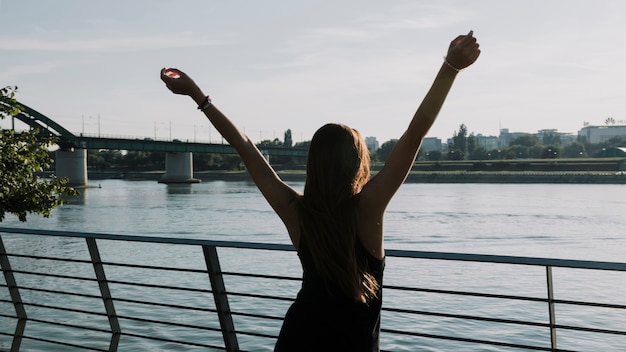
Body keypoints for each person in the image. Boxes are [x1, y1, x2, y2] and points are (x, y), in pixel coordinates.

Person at [161, 31, 480, 352]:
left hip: (297, 339)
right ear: (358, 163)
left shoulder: (296, 211)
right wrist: (450, 68)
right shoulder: (368, 208)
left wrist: (197, 95)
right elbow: (415, 134)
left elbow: (243, 146)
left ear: (313, 163)